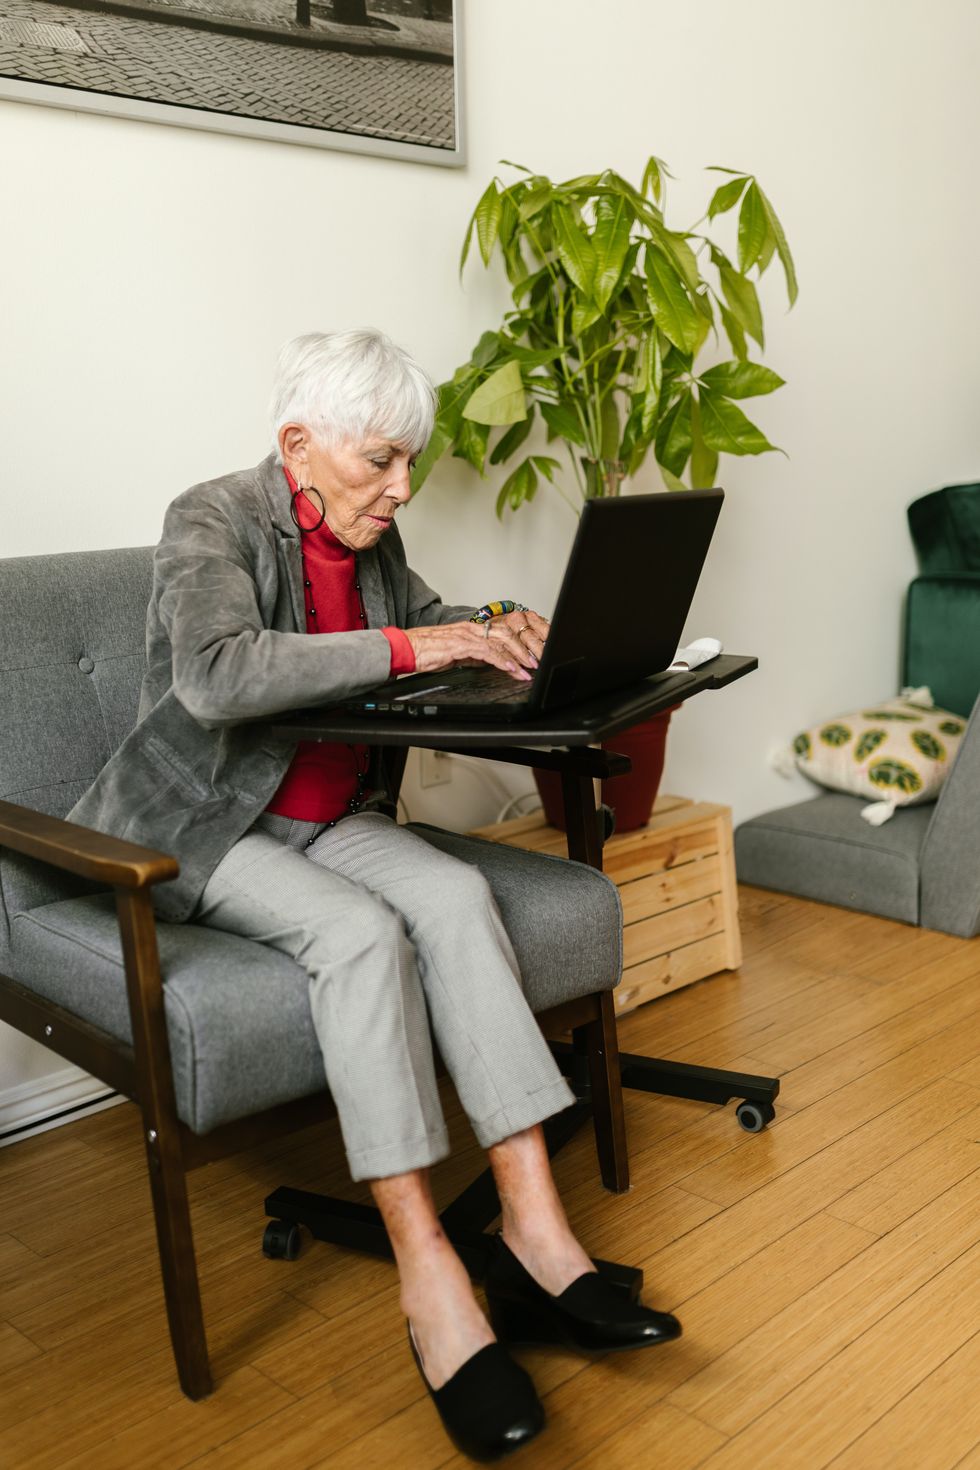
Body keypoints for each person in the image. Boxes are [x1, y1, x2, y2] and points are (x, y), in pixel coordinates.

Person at [70, 329, 680, 1462]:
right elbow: (218, 675)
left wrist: (495, 627)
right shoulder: (208, 517)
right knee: (357, 937)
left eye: (410, 465)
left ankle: (538, 1235)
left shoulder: (371, 539)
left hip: (336, 820)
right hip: (212, 827)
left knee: (452, 902)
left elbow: (432, 614)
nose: (400, 489)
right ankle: (429, 1282)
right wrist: (410, 643)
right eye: (380, 462)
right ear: (299, 444)